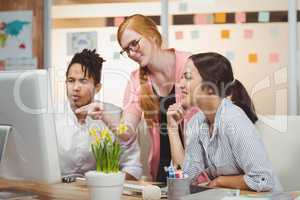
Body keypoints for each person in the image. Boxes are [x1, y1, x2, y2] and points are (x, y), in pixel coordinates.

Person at [167, 52, 282, 192]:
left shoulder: (234, 120)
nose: (180, 84)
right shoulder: (196, 123)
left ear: (210, 87)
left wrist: (220, 181)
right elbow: (185, 177)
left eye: (188, 77)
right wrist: (172, 129)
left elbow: (263, 179)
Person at [116, 14, 199, 182]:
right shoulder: (135, 80)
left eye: (134, 43)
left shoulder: (190, 64)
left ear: (152, 35)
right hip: (163, 172)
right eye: (126, 50)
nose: (132, 52)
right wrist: (103, 114)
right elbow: (127, 131)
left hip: (199, 171)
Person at [55, 49, 142, 181]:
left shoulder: (115, 115)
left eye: (83, 81)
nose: (75, 87)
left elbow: (132, 167)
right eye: (71, 80)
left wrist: (107, 186)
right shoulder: (51, 117)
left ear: (97, 88)